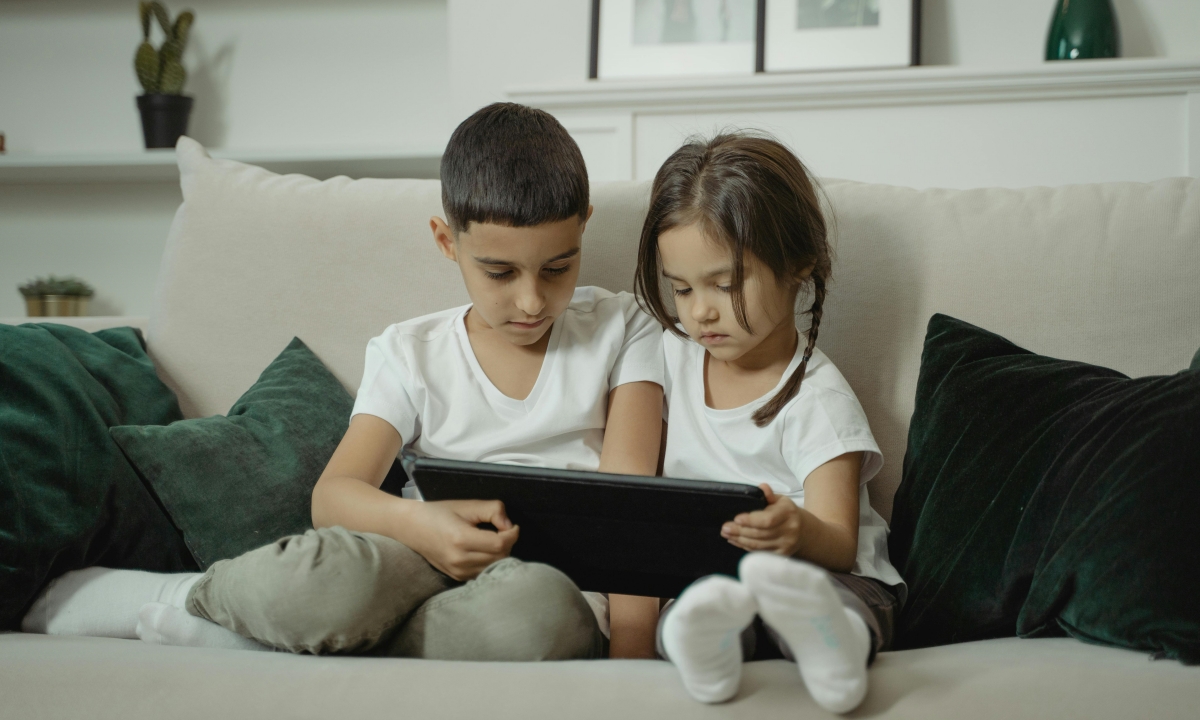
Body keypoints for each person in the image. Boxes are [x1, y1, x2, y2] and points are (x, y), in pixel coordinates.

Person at [21, 103, 665, 662]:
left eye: (558, 267)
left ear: (584, 225)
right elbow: (335, 496)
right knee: (325, 581)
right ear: (446, 241)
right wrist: (424, 527)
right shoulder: (410, 350)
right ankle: (194, 601)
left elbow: (633, 512)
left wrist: (631, 657)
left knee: (535, 616)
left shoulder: (625, 327)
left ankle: (284, 641)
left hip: (545, 585)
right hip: (416, 559)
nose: (531, 301)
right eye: (499, 272)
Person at [632, 132, 906, 712]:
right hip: (720, 579)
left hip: (831, 577)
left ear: (797, 266)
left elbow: (837, 539)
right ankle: (706, 652)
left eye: (725, 285)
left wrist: (794, 531)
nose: (700, 310)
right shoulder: (669, 358)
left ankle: (835, 648)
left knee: (821, 606)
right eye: (681, 288)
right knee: (693, 611)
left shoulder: (817, 397)